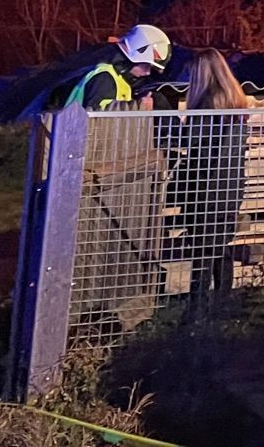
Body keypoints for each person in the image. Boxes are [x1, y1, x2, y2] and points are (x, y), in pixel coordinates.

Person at [162, 48, 251, 298]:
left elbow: (193, 143)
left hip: (203, 188)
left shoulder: (207, 104)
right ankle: (221, 302)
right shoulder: (235, 102)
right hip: (230, 187)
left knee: (201, 250)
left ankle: (196, 308)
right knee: (219, 247)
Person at [64, 23, 172, 109]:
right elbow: (98, 117)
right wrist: (138, 107)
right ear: (133, 59)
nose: (148, 72)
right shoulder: (105, 78)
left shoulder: (119, 81)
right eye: (146, 66)